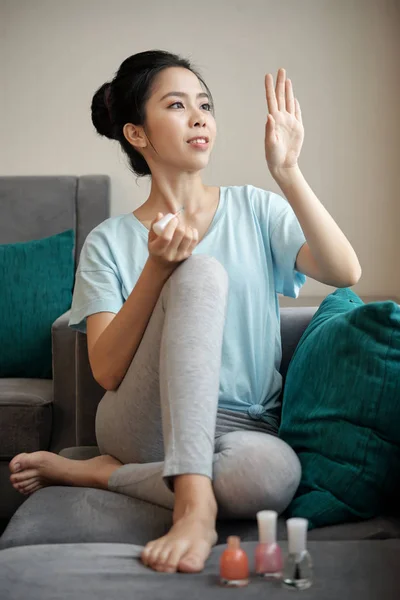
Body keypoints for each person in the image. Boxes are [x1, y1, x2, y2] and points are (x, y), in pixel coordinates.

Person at [9, 49, 361, 575]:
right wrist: (158, 270)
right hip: (146, 422)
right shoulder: (108, 242)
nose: (199, 116)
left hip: (247, 424)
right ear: (137, 134)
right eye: (177, 105)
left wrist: (287, 171)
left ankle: (98, 473)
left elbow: (344, 270)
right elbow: (106, 370)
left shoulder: (255, 208)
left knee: (269, 479)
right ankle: (194, 508)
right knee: (199, 272)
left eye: (205, 104)